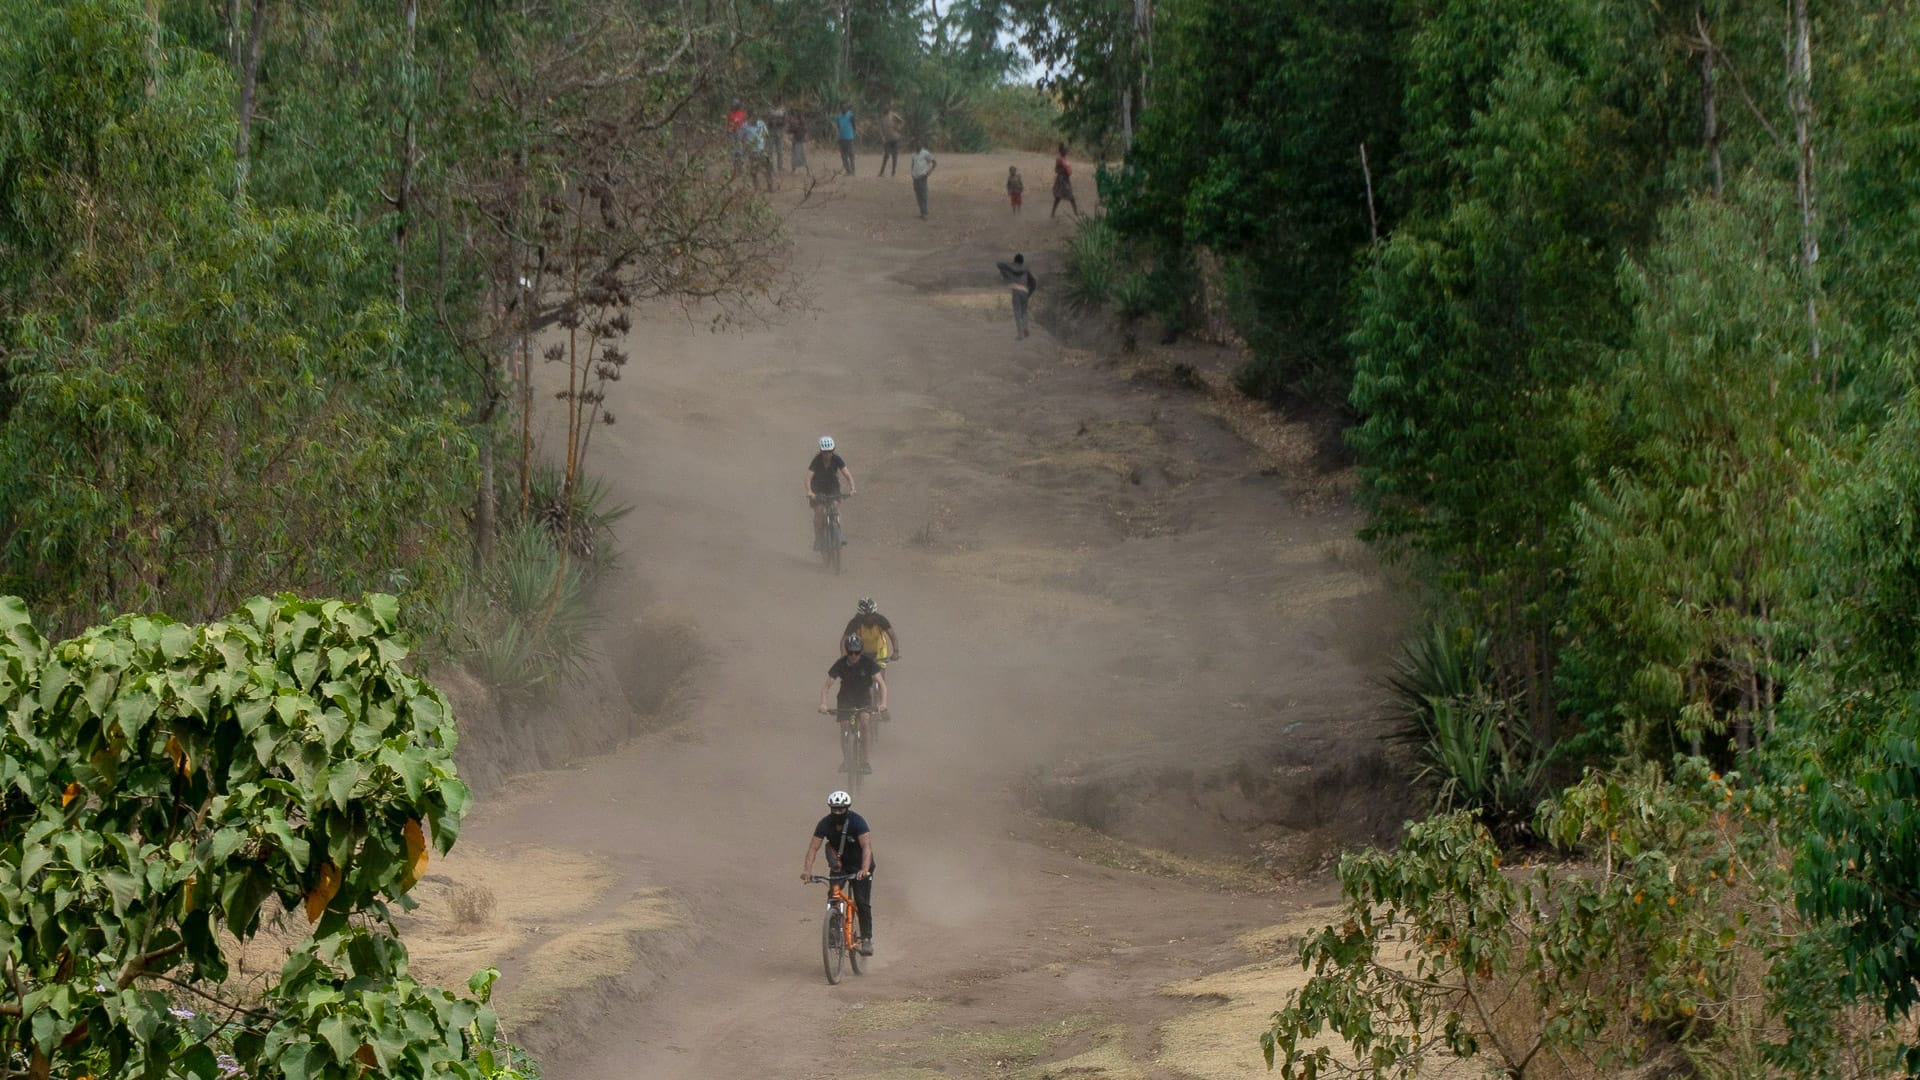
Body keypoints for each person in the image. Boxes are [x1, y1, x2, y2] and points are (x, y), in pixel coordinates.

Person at [802, 790, 875, 955]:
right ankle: (834, 931)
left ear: (847, 808)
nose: (837, 812)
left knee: (862, 902)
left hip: (860, 865)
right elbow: (813, 848)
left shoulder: (858, 822)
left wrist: (864, 869)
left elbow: (866, 847)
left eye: (841, 809)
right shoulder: (824, 824)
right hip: (840, 866)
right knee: (833, 895)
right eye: (834, 809)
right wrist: (807, 871)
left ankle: (867, 939)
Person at [819, 633, 889, 723]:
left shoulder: (868, 663)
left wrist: (883, 703)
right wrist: (823, 704)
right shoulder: (840, 664)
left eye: (857, 652)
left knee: (865, 720)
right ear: (847, 651)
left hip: (863, 697)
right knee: (844, 723)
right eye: (850, 652)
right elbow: (826, 687)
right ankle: (844, 736)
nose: (853, 655)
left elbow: (881, 684)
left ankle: (865, 736)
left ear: (861, 651)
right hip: (845, 697)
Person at [805, 435, 856, 549]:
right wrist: (810, 491)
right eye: (824, 452)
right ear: (821, 451)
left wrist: (852, 488)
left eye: (829, 452)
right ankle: (818, 538)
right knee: (819, 511)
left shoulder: (837, 459)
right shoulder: (816, 460)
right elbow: (808, 478)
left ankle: (838, 533)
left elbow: (847, 474)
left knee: (835, 507)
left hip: (832, 487)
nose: (827, 454)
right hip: (817, 487)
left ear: (833, 451)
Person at [842, 597, 900, 668]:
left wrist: (896, 651)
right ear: (861, 615)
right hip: (862, 651)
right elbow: (843, 640)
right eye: (866, 616)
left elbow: (893, 635)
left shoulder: (881, 620)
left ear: (875, 613)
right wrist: (844, 658)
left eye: (872, 615)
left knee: (879, 676)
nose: (869, 618)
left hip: (880, 650)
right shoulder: (855, 622)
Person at [997, 253, 1038, 340]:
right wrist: (1029, 294)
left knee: (1017, 312)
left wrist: (1011, 266)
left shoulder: (1011, 269)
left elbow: (999, 264)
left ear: (1015, 261)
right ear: (1022, 261)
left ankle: (1020, 334)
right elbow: (1033, 283)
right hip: (1025, 291)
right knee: (1024, 312)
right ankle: (1025, 328)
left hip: (1016, 290)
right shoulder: (1026, 270)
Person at [744, 113, 774, 192]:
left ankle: (770, 186)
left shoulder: (761, 124)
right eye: (752, 117)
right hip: (752, 151)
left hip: (761, 150)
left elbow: (766, 136)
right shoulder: (745, 126)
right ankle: (756, 187)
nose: (754, 119)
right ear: (749, 117)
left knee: (767, 169)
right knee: (754, 171)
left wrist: (766, 148)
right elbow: (742, 138)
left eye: (755, 117)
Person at [1052, 143, 1080, 218]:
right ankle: (1076, 212)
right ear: (1061, 150)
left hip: (1066, 179)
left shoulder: (1064, 158)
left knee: (1059, 197)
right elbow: (1056, 170)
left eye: (1066, 149)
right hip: (1062, 180)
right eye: (1065, 149)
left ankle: (1053, 213)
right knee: (1068, 197)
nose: (1066, 150)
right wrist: (1063, 171)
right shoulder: (1059, 159)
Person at [909, 145, 937, 219]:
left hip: (922, 176)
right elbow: (913, 164)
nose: (916, 147)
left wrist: (929, 172)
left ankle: (925, 213)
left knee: (923, 195)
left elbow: (934, 162)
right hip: (915, 177)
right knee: (918, 195)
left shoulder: (925, 153)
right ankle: (922, 212)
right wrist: (912, 173)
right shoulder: (913, 155)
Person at [878, 105, 905, 177]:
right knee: (886, 156)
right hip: (887, 140)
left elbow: (901, 121)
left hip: (895, 138)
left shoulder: (893, 115)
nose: (885, 110)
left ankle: (893, 172)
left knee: (894, 156)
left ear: (889, 110)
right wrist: (882, 137)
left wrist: (898, 128)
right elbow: (880, 129)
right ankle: (881, 172)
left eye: (886, 109)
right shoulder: (882, 118)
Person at [727, 101, 748, 177]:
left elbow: (745, 124)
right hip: (732, 133)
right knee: (733, 151)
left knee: (740, 150)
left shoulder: (742, 114)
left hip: (739, 133)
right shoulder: (730, 113)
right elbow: (728, 123)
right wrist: (729, 130)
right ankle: (734, 169)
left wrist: (745, 135)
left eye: (735, 106)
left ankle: (741, 168)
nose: (734, 107)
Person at [835, 105, 857, 176]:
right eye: (842, 108)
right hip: (841, 138)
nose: (843, 109)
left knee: (851, 155)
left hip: (849, 138)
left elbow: (854, 126)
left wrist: (853, 134)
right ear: (840, 109)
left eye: (845, 107)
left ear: (847, 108)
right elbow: (838, 127)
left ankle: (853, 171)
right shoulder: (838, 117)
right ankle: (848, 171)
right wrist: (838, 136)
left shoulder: (850, 115)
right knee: (843, 156)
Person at [787, 107, 809, 172]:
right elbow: (791, 130)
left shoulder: (799, 121)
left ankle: (796, 169)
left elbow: (794, 130)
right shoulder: (798, 121)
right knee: (798, 155)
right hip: (797, 140)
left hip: (799, 140)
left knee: (800, 155)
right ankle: (796, 169)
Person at [768, 104, 787, 172]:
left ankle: (780, 167)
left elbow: (785, 121)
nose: (776, 102)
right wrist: (772, 121)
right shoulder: (770, 109)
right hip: (771, 131)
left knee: (779, 151)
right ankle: (770, 168)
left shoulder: (782, 109)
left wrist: (778, 121)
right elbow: (768, 120)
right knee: (770, 151)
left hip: (779, 131)